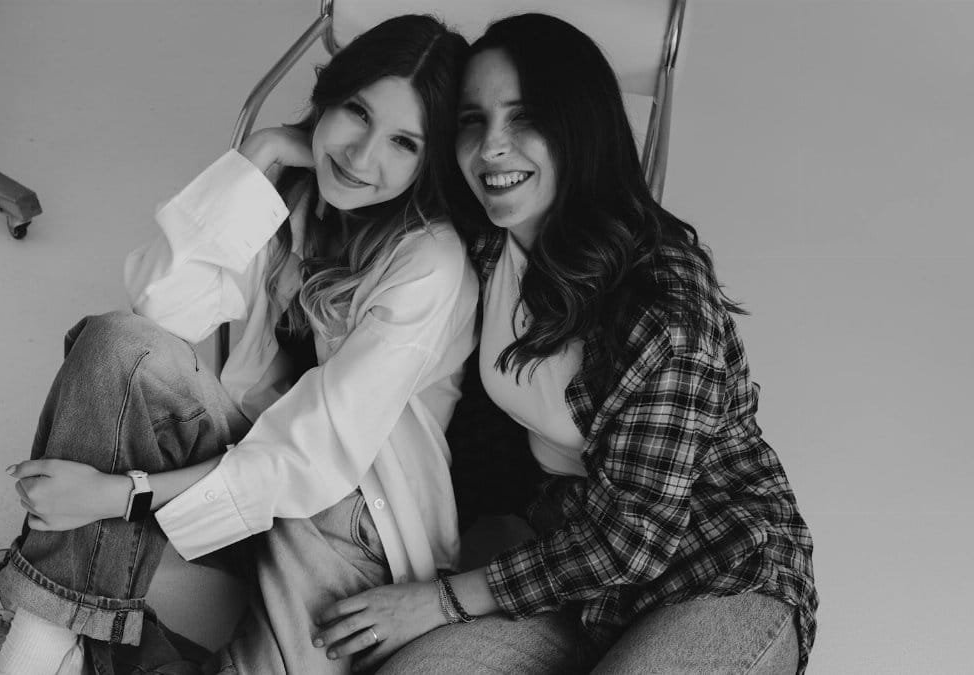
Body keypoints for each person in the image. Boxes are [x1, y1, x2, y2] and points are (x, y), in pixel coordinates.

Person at [0, 14, 477, 675]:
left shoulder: (431, 263)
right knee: (120, 348)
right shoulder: (293, 196)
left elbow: (314, 459)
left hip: (349, 518)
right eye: (358, 113)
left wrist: (120, 495)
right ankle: (36, 647)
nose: (362, 156)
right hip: (247, 456)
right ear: (329, 96)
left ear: (429, 162)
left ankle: (62, 602)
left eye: (403, 142)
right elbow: (161, 305)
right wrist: (257, 158)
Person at [311, 13, 819, 674]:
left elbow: (635, 537)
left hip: (714, 573)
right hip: (571, 582)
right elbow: (370, 191)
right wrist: (290, 153)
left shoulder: (662, 301)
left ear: (579, 126)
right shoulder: (484, 246)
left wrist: (439, 601)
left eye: (523, 118)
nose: (491, 147)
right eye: (472, 120)